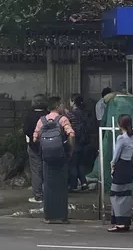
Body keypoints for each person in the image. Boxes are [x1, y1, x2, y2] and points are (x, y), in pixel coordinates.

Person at [33, 96, 75, 224]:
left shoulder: (42, 120)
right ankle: (62, 216)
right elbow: (71, 134)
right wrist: (69, 149)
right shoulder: (62, 119)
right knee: (61, 187)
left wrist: (45, 147)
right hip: (61, 158)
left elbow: (35, 138)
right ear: (57, 106)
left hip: (47, 159)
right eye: (62, 104)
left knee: (49, 187)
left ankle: (49, 217)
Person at [108, 114, 133, 232]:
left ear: (120, 124)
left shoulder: (121, 138)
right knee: (125, 195)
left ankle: (119, 222)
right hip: (129, 166)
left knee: (116, 195)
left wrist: (112, 165)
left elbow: (116, 156)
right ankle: (125, 222)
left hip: (120, 167)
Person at [24, 94, 48, 203]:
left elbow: (26, 130)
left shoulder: (29, 115)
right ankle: (49, 191)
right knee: (48, 168)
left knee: (36, 170)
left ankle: (38, 195)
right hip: (49, 145)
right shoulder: (48, 114)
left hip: (34, 145)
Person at [68, 94, 89, 192]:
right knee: (80, 164)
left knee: (73, 164)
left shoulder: (70, 114)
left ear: (72, 101)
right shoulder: (84, 113)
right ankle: (84, 183)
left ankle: (73, 185)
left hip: (74, 140)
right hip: (83, 141)